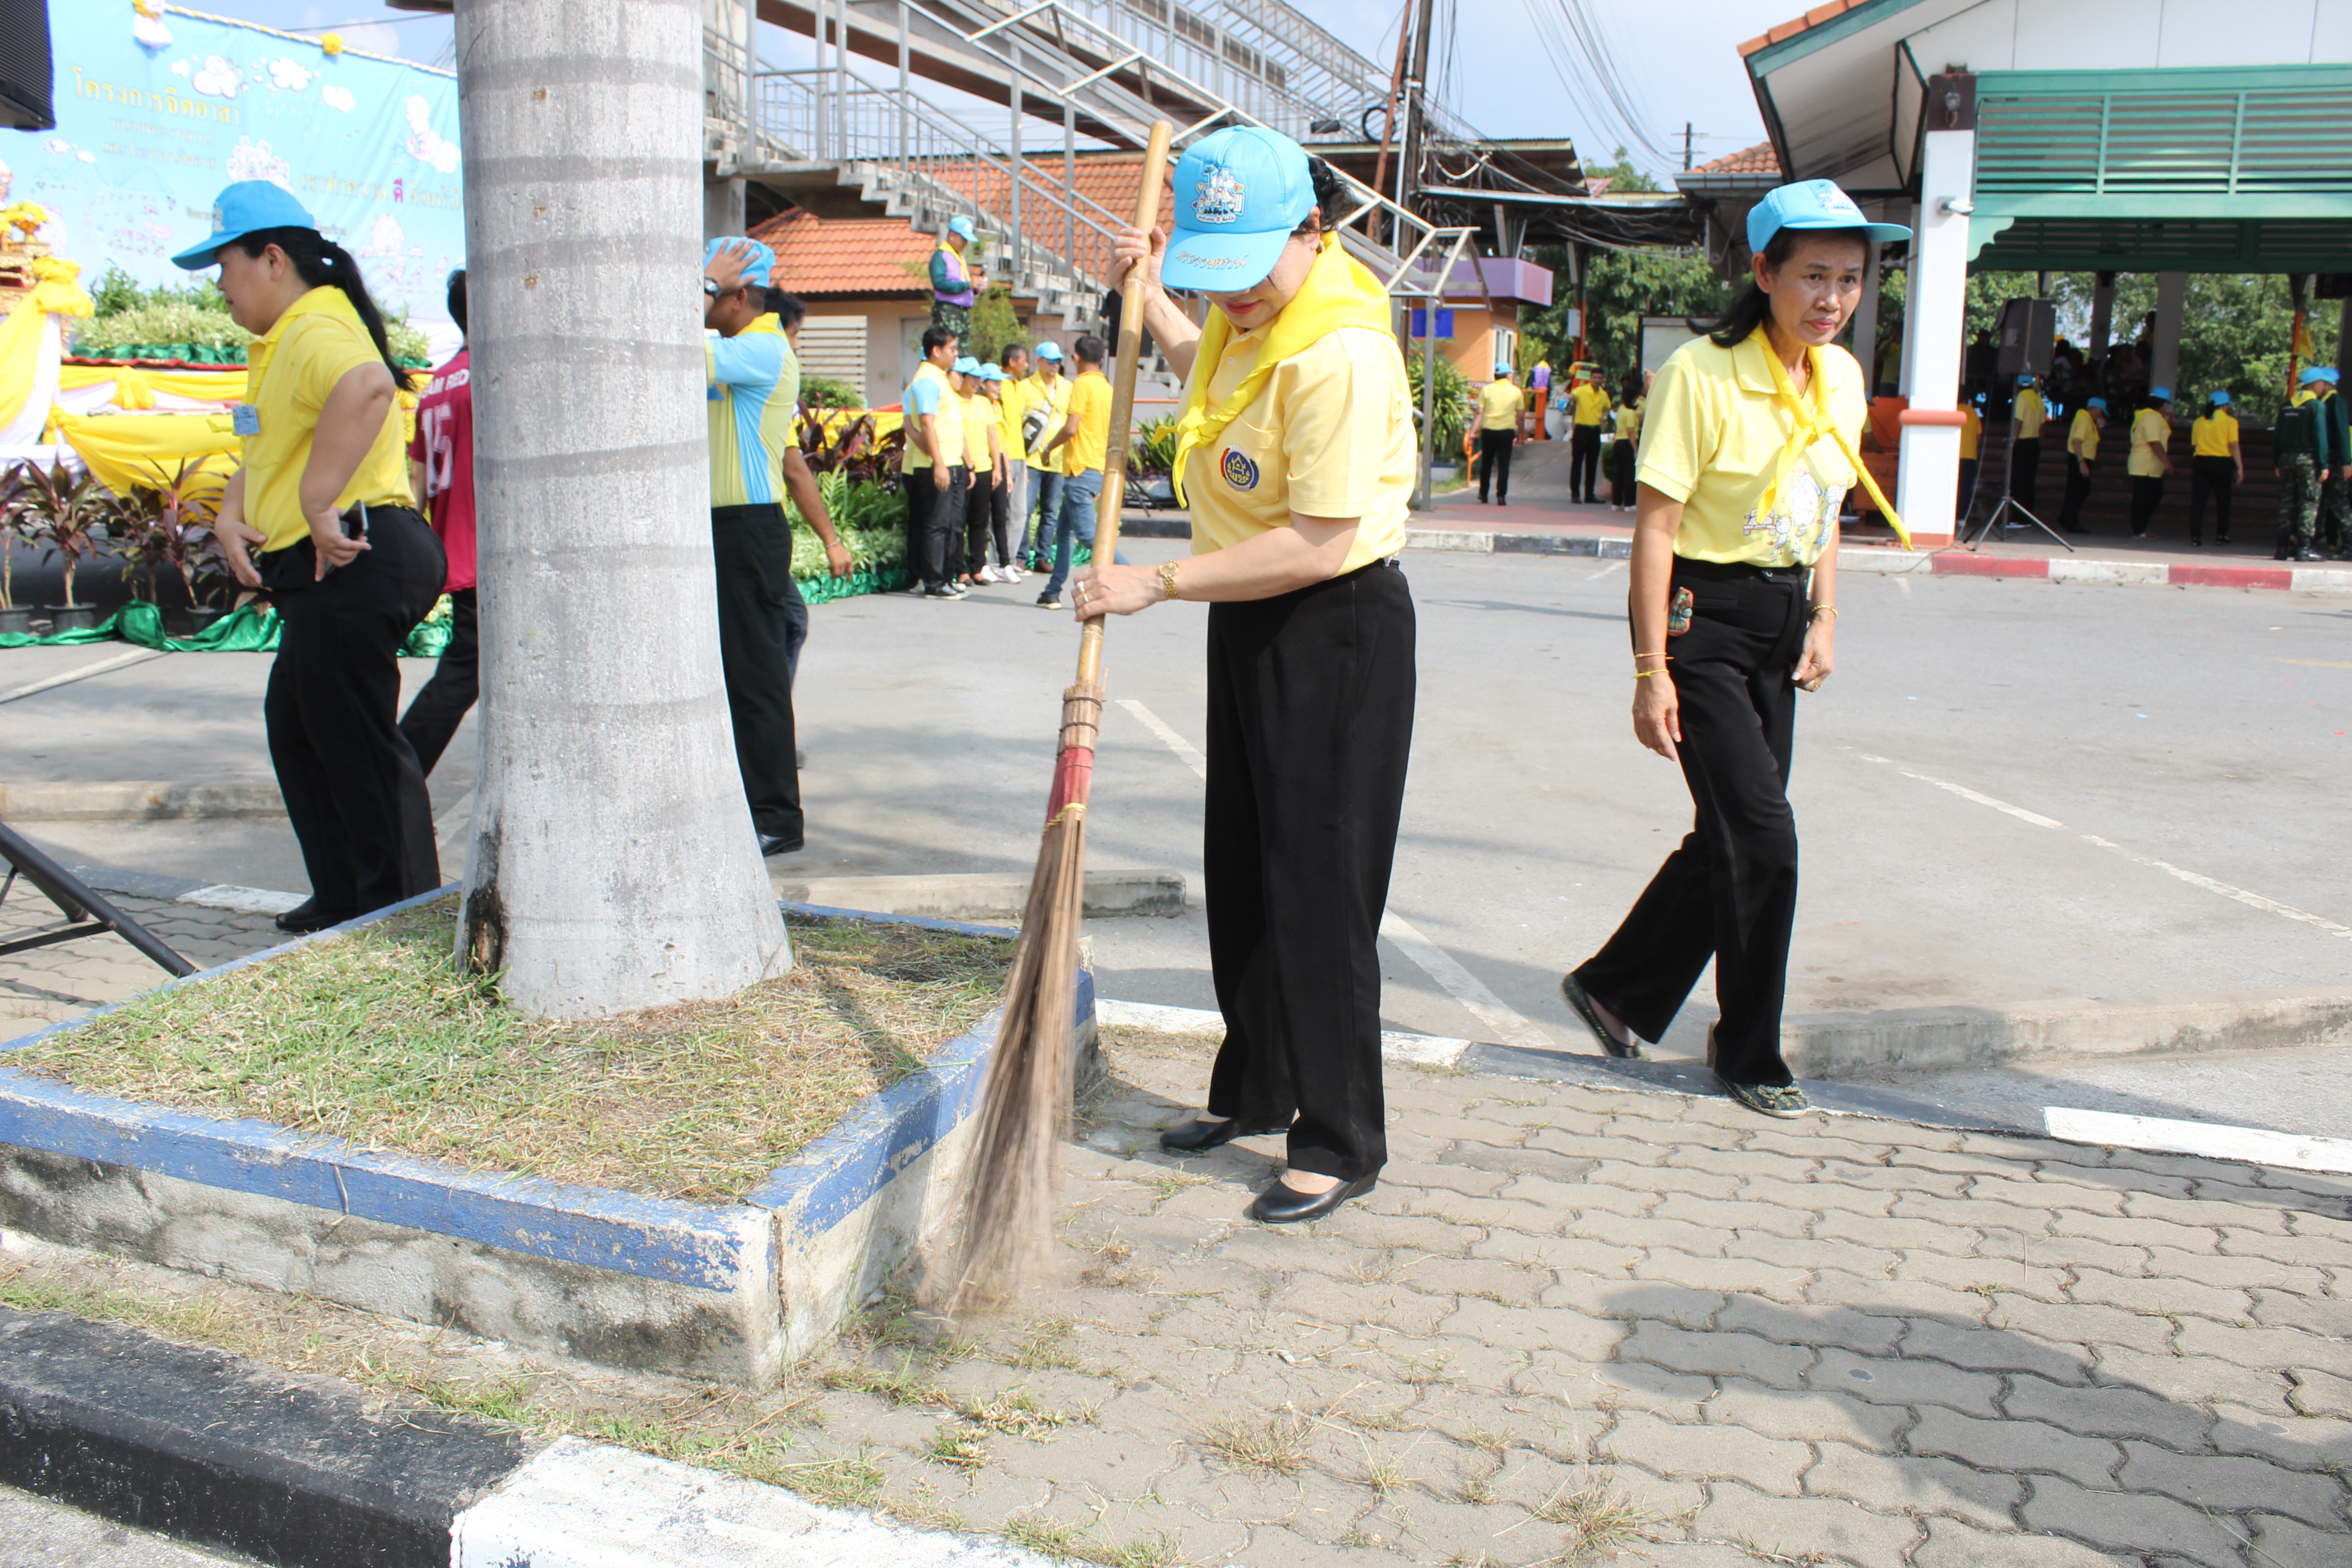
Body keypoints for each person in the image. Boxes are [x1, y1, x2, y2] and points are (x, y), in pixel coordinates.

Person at [1088, 126, 1417, 1224]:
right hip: (1248, 613)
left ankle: (1338, 1137)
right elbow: (1213, 387)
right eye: (1209, 272)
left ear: (1311, 231)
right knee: (1245, 867)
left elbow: (1319, 541)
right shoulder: (1252, 317)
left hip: (1332, 624)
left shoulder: (1338, 351)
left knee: (1320, 888)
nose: (1231, 297)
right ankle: (1258, 1086)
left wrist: (1156, 582)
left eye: (1250, 270)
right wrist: (1158, 302)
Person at [1557, 179, 1911, 1121]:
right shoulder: (1700, 377)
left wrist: (1827, 618)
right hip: (1700, 624)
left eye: (1849, 278)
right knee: (1766, 840)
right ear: (1764, 274)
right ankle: (1748, 1049)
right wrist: (1649, 672)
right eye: (1812, 277)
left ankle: (1617, 989)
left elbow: (1827, 509)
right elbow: (1656, 529)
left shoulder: (1838, 375)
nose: (1832, 297)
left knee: (1734, 832)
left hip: (1781, 623)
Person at [179, 181, 445, 933]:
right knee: (299, 725)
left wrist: (319, 503)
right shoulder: (282, 338)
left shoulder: (314, 327)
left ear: (270, 259)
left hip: (356, 553)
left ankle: (400, 915)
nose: (219, 288)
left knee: (355, 737)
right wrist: (232, 519)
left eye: (223, 267)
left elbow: (367, 389)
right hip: (332, 564)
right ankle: (344, 897)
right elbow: (266, 449)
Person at [702, 239, 852, 857]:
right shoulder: (736, 347)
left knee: (755, 677)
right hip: (721, 528)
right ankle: (747, 803)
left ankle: (776, 819)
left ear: (739, 296)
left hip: (746, 527)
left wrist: (699, 283)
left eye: (715, 292)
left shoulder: (762, 347)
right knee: (729, 674)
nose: (707, 303)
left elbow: (670, 349)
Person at [397, 268, 477, 779]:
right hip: (487, 552)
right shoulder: (493, 380)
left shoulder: (437, 387)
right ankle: (396, 771)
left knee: (465, 669)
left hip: (456, 549)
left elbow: (418, 483)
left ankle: (394, 770)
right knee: (463, 673)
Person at [1034, 333, 1125, 610]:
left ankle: (1130, 577)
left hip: (1080, 469)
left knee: (1088, 537)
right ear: (1101, 359)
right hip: (1096, 468)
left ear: (1076, 358)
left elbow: (1072, 427)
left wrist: (1049, 448)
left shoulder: (1082, 385)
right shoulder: (1108, 389)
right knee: (1065, 534)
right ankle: (1052, 591)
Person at [901, 324, 967, 599]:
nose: (956, 354)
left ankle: (943, 579)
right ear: (936, 350)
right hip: (938, 465)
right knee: (937, 525)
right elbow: (926, 424)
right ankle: (934, 583)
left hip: (951, 461)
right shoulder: (927, 380)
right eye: (952, 349)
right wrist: (939, 464)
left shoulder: (939, 378)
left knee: (947, 524)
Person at [1020, 341, 1070, 571]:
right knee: (1026, 509)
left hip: (1058, 460)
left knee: (1051, 512)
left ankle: (1042, 557)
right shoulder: (1025, 387)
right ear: (1038, 361)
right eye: (1050, 361)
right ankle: (1021, 557)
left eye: (1058, 360)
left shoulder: (1068, 388)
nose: (1055, 365)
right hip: (1031, 460)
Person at [2274, 372, 2334, 561]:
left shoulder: (2286, 407)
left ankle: (2282, 548)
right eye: (2322, 383)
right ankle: (2304, 548)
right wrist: (2324, 464)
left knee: (2287, 503)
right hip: (2307, 460)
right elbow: (2320, 436)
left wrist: (2277, 461)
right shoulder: (2316, 406)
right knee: (2309, 503)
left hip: (2285, 459)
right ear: (2314, 384)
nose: (2323, 387)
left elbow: (2278, 437)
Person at [954, 356, 1001, 587]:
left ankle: (977, 567)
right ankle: (959, 569)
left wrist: (997, 467)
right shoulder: (953, 401)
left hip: (984, 467)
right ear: (962, 377)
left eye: (978, 378)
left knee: (980, 521)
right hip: (963, 467)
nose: (976, 382)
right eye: (972, 377)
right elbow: (959, 437)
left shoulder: (983, 403)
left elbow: (993, 436)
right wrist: (969, 465)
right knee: (959, 521)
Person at [993, 345, 1034, 579]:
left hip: (1021, 456)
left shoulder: (1020, 387)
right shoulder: (1000, 387)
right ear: (1012, 361)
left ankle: (1007, 562)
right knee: (999, 513)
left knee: (1019, 512)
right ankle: (996, 561)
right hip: (1004, 456)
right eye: (1024, 360)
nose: (1027, 365)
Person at [2186, 390, 2242, 548]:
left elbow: (2195, 444)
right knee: (2223, 501)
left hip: (2201, 462)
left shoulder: (2199, 422)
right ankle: (2221, 535)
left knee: (2199, 501)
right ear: (2225, 406)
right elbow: (2233, 445)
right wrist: (2240, 468)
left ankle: (2196, 537)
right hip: (2222, 464)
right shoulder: (2231, 422)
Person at [2310, 367, 2352, 558]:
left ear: (2325, 385)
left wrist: (2346, 461)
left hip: (2336, 461)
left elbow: (2343, 434)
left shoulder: (2335, 402)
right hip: (2327, 459)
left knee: (2339, 502)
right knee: (2322, 501)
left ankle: (2349, 544)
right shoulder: (2322, 402)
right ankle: (2313, 538)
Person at [2126, 387, 2174, 539]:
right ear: (2163, 404)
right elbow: (2154, 442)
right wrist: (2167, 462)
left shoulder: (2145, 416)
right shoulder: (2152, 417)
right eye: (2167, 404)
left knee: (2149, 495)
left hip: (2145, 464)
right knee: (2146, 497)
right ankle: (2139, 530)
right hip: (2146, 464)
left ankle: (2140, 529)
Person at [1475, 368, 1523, 505]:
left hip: (1489, 430)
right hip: (1507, 431)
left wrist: (1473, 430)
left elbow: (1479, 412)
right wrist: (1520, 432)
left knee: (1487, 463)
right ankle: (1501, 496)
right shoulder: (1516, 391)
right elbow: (1520, 415)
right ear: (1507, 375)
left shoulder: (1487, 390)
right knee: (1504, 464)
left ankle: (1483, 494)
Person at [2058, 396, 2105, 534]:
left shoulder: (2088, 420)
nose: (2101, 414)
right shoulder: (2085, 419)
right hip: (2080, 459)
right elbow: (2077, 441)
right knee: (2078, 491)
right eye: (2101, 411)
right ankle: (2070, 521)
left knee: (2080, 490)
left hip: (2083, 459)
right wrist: (2081, 462)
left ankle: (2067, 518)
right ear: (2096, 409)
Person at [930, 215, 978, 339]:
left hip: (962, 312)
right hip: (948, 311)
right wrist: (968, 285)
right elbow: (939, 283)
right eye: (963, 239)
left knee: (962, 353)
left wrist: (975, 288)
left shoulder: (960, 257)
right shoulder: (941, 256)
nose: (966, 243)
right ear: (952, 236)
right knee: (950, 348)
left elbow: (961, 283)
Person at [1568, 367, 1611, 503]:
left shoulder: (1603, 395)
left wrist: (1604, 418)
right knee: (1577, 462)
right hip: (1581, 429)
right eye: (1595, 377)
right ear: (1591, 378)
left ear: (1602, 380)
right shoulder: (1582, 391)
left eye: (1600, 378)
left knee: (1592, 463)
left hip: (1595, 431)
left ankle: (1590, 494)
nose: (1597, 380)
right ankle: (1575, 493)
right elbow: (1572, 397)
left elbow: (1608, 408)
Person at [2011, 373, 2047, 514]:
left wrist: (2011, 444)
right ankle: (2027, 515)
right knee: (2029, 481)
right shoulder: (2038, 399)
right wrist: (2040, 443)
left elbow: (2018, 422)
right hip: (2035, 443)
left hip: (2023, 442)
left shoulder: (2022, 398)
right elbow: (2043, 426)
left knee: (2018, 481)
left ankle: (2018, 517)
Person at [1608, 372, 1644, 511]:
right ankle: (1629, 503)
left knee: (1619, 474)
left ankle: (1616, 502)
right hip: (1627, 444)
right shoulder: (1631, 413)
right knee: (1630, 474)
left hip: (1619, 442)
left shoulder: (1622, 409)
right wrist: (1636, 450)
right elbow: (1631, 433)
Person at [1957, 395, 1983, 524]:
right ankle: (1962, 518)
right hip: (1970, 455)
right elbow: (1979, 434)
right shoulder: (1972, 412)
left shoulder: (1953, 410)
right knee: (1966, 487)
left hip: (1954, 455)